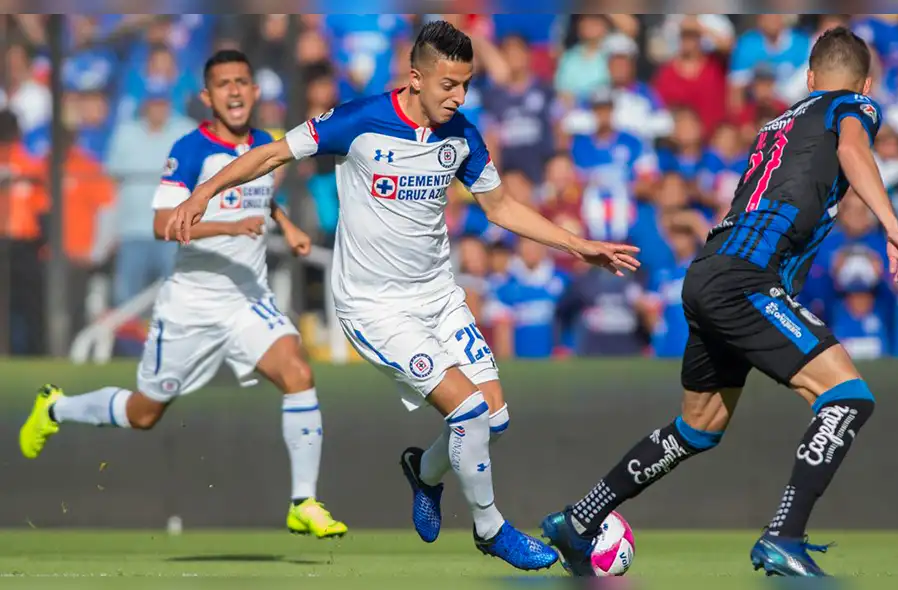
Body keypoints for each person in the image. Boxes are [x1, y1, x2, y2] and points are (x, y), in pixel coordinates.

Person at [161, 21, 640, 571]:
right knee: (468, 412)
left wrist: (578, 244)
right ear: (416, 78)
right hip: (374, 308)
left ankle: (424, 472)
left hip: (438, 297)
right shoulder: (359, 120)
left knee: (493, 419)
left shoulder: (461, 135)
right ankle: (491, 530)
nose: (458, 97)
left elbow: (501, 207)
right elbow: (271, 155)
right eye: (448, 85)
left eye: (466, 85)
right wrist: (203, 193)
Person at [541, 26, 898, 578]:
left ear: (808, 78)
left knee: (698, 427)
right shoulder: (852, 107)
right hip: (747, 280)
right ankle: (784, 535)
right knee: (847, 398)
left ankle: (580, 520)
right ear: (866, 85)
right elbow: (853, 149)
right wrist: (892, 225)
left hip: (707, 273)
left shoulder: (778, 124)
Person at [18, 50, 348, 540]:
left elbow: (259, 197)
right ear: (207, 97)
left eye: (241, 81)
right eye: (223, 84)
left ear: (255, 91)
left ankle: (303, 502)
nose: (234, 91)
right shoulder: (191, 150)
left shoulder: (265, 144)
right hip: (191, 305)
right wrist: (228, 226)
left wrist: (286, 223)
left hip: (246, 298)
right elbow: (162, 224)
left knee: (298, 374)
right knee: (143, 413)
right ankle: (56, 407)